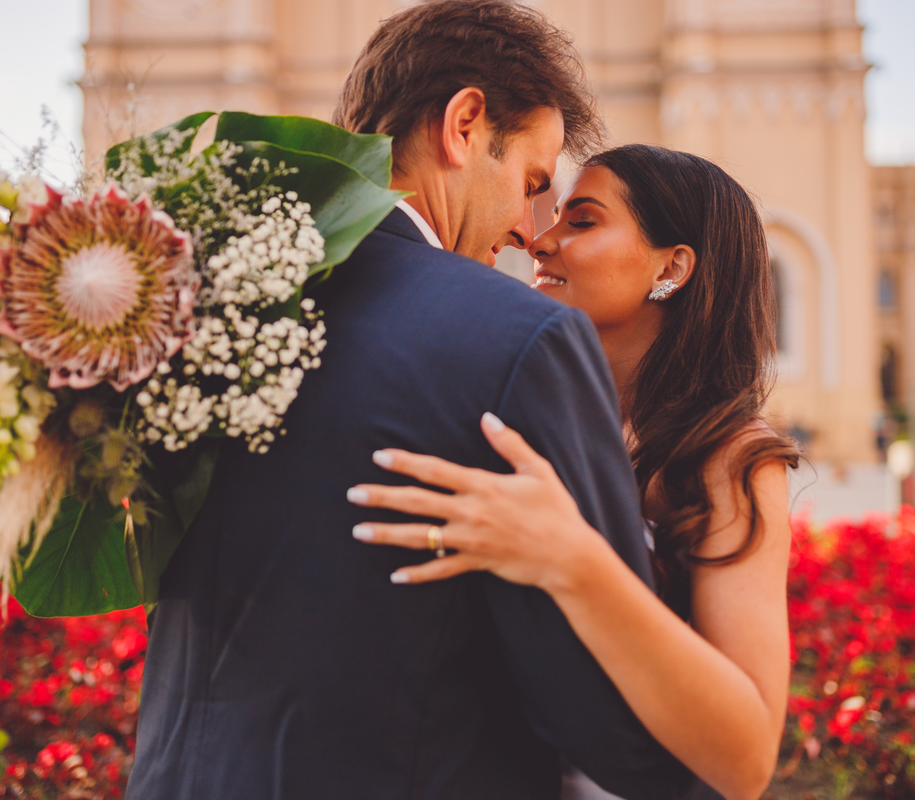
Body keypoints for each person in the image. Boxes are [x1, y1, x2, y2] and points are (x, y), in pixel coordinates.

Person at [126, 3, 691, 799]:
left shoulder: (191, 311)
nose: (532, 230)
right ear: (463, 125)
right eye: (532, 182)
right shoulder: (518, 340)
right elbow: (615, 723)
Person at [348, 145, 801, 800]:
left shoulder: (727, 459)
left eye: (582, 221)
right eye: (552, 214)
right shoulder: (517, 416)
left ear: (671, 267)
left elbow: (747, 759)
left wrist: (571, 559)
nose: (539, 239)